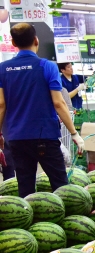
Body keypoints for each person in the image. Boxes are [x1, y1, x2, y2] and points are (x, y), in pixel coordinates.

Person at [0, 23, 84, 197]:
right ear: (36, 40)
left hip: (16, 137)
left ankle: (27, 220)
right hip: (44, 136)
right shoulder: (47, 66)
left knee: (25, 185)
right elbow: (59, 103)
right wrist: (74, 133)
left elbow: (1, 105)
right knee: (60, 185)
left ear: (14, 43)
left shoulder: (3, 68)